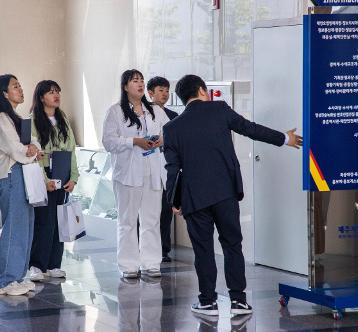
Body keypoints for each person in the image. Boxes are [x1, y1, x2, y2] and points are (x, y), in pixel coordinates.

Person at [163, 75, 302, 316]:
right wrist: (284, 138)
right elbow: (250, 129)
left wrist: (174, 201)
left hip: (194, 197)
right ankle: (238, 301)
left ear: (183, 97)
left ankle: (208, 301)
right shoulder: (220, 109)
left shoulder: (172, 127)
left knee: (203, 249)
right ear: (202, 90)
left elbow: (172, 168)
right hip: (225, 192)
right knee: (232, 245)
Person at [0, 74, 53, 296]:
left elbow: (32, 140)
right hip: (12, 177)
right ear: (4, 93)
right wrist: (30, 150)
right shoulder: (0, 118)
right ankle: (4, 281)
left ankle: (16, 277)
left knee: (26, 228)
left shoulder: (16, 117)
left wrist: (32, 147)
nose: (21, 89)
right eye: (15, 86)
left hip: (24, 175)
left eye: (20, 85)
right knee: (14, 229)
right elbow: (16, 148)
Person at [102, 69, 170, 278]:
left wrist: (161, 140)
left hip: (152, 171)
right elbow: (108, 142)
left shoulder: (155, 111)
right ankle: (129, 265)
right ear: (125, 87)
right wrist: (134, 141)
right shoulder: (115, 111)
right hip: (128, 174)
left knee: (151, 219)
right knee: (128, 221)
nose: (140, 84)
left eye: (141, 80)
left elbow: (169, 132)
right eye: (135, 81)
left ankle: (151, 263)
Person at [28, 80, 79, 281]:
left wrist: (74, 177)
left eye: (58, 91)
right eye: (51, 92)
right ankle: (36, 265)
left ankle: (53, 264)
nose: (56, 95)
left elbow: (72, 150)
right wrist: (44, 179)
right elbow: (34, 154)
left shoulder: (63, 119)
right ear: (41, 97)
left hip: (63, 170)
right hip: (45, 172)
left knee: (60, 220)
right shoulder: (33, 120)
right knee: (44, 221)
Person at [147, 76, 178, 263]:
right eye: (161, 90)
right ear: (150, 93)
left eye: (167, 90)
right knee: (148, 211)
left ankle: (163, 249)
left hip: (166, 169)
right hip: (147, 168)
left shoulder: (173, 117)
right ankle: (145, 248)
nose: (165, 94)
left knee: (166, 210)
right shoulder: (142, 114)